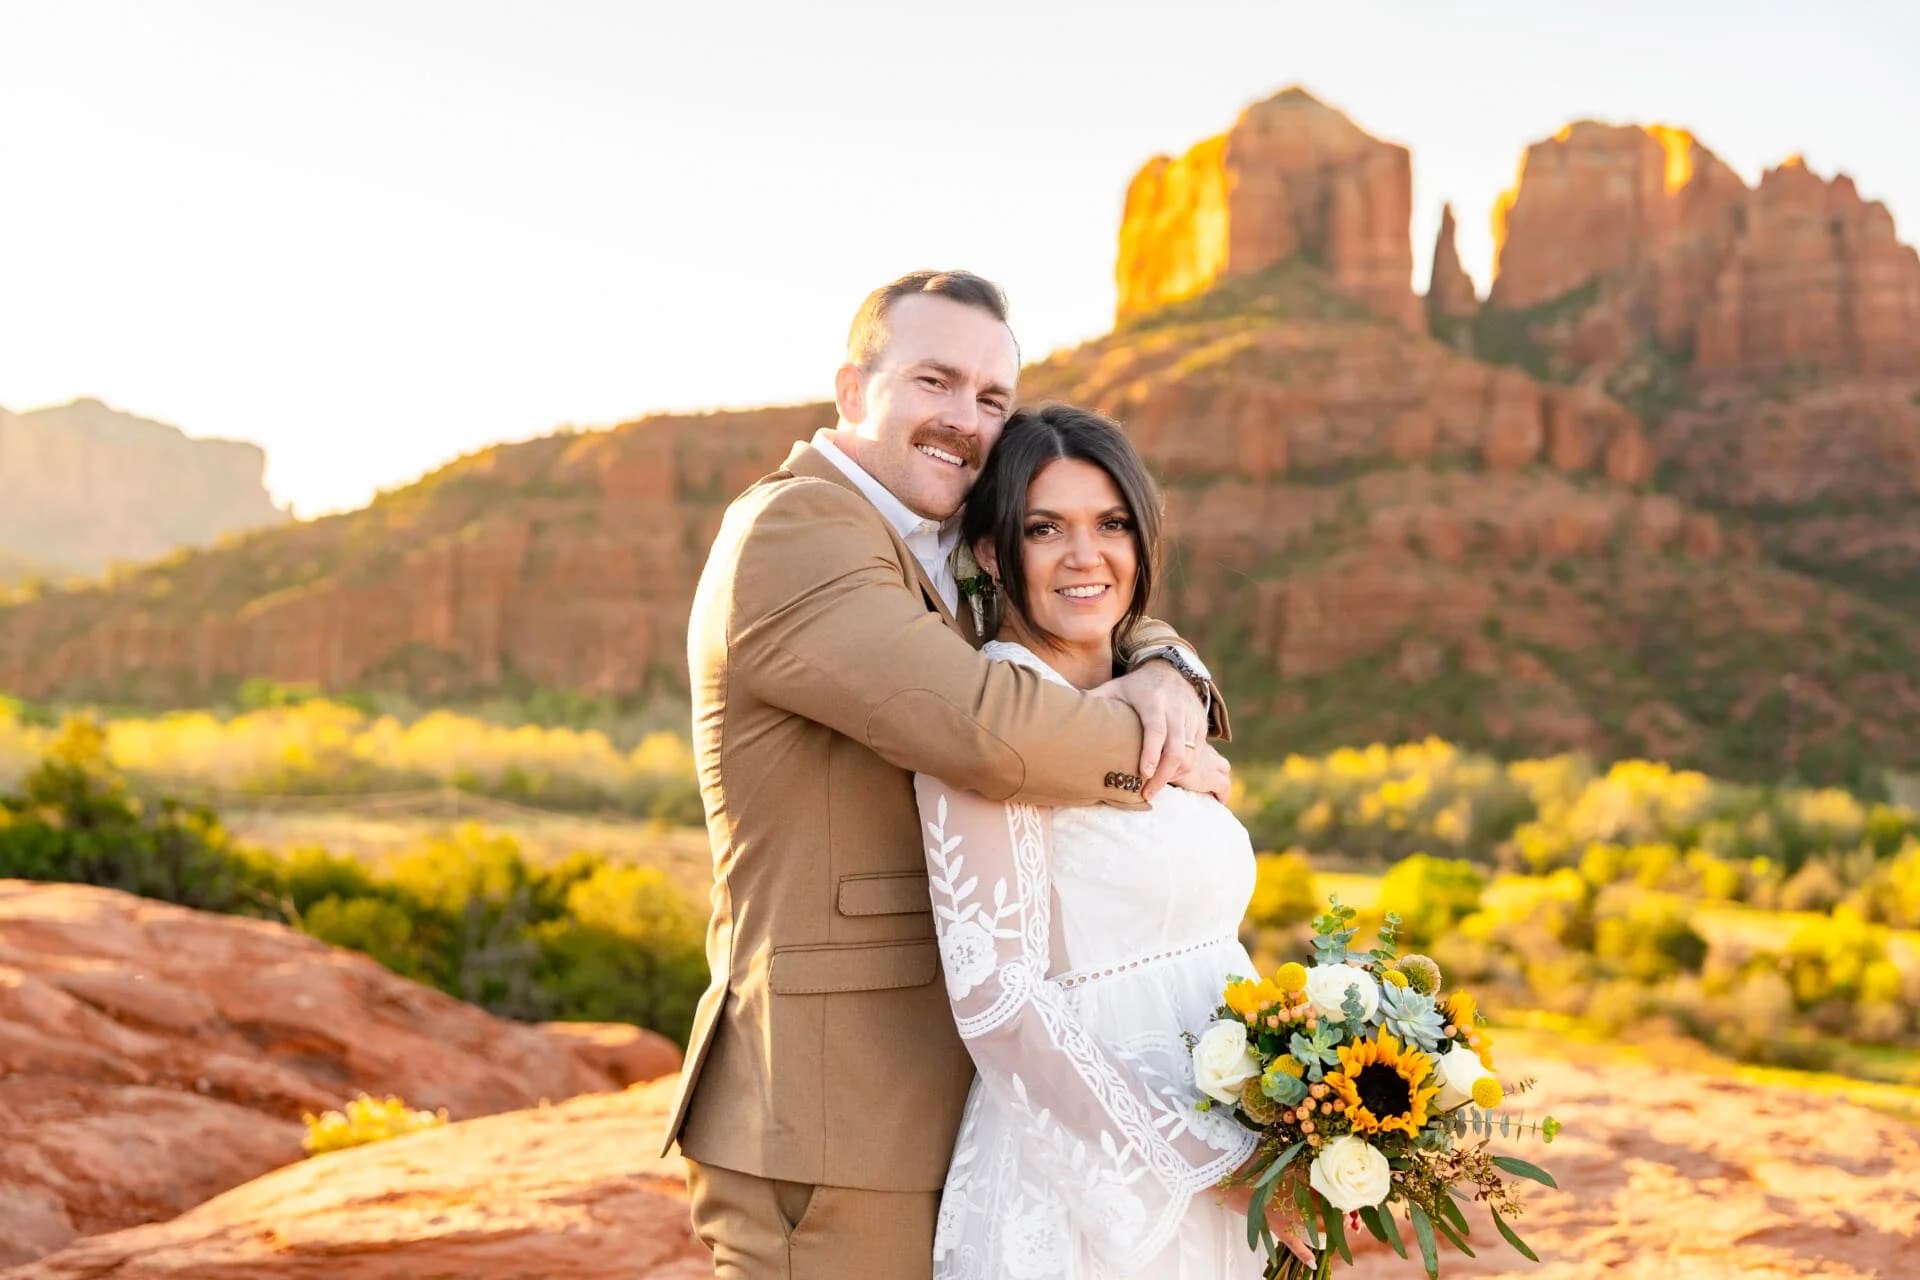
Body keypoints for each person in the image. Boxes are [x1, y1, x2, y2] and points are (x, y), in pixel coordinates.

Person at [663, 270, 1233, 1279]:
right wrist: (1168, 754)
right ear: (852, 387)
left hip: (957, 1106)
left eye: (989, 398)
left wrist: (1163, 663)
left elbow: (1072, 597)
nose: (963, 420)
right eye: (934, 381)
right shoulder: (796, 532)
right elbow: (981, 725)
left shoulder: (938, 546)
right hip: (835, 1110)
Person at [916, 402, 1301, 1278]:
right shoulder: (986, 725)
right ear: (989, 551)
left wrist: (1300, 1106)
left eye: (1112, 524)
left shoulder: (1157, 699)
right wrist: (1208, 1163)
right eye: (1045, 528)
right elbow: (998, 996)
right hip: (1094, 1182)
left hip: (1230, 1133)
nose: (1086, 556)